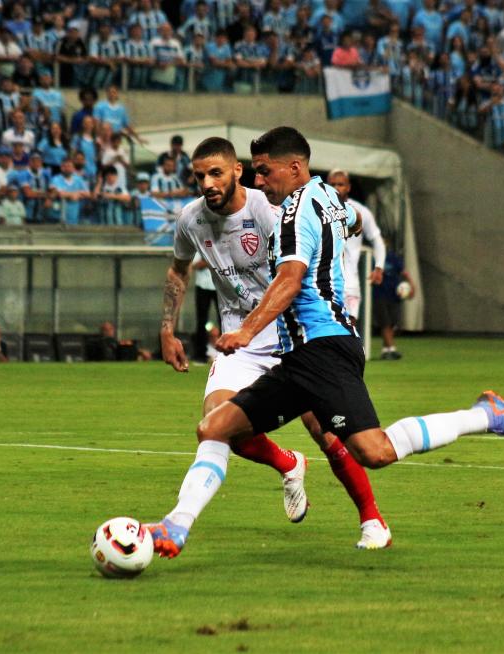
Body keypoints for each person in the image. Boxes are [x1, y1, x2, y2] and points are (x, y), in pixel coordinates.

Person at [147, 127, 504, 559]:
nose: (258, 183)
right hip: (295, 351)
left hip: (322, 345)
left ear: (292, 168)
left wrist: (246, 329)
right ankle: (176, 526)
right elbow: (351, 220)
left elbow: (290, 278)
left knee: (373, 450)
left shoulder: (290, 213)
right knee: (214, 427)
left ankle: (484, 415)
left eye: (262, 172)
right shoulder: (323, 195)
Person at [158, 136, 393, 549]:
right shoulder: (191, 219)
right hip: (239, 338)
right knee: (215, 424)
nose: (207, 183)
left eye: (216, 173)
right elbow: (178, 270)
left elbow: (314, 246)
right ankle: (286, 463)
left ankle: (372, 518)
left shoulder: (270, 210)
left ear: (237, 171)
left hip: (287, 330)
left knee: (324, 428)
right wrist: (167, 329)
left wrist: (350, 222)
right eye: (199, 176)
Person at [327, 169, 386, 322]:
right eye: (332, 184)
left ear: (348, 187)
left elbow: (376, 239)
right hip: (321, 281)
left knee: (348, 330)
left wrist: (379, 267)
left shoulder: (361, 211)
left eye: (340, 184)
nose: (336, 188)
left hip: (348, 283)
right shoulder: (317, 209)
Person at [373, 244, 414, 360]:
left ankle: (386, 350)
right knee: (385, 323)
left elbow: (404, 273)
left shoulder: (393, 258)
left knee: (392, 324)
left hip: (394, 296)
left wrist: (412, 286)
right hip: (379, 295)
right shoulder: (373, 258)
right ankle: (392, 348)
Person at [190, 252, 218, 364]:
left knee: (224, 319)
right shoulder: (200, 247)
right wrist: (211, 260)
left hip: (219, 286)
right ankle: (200, 355)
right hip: (202, 286)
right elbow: (195, 265)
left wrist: (208, 260)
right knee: (201, 321)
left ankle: (226, 355)